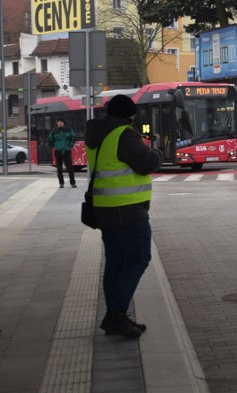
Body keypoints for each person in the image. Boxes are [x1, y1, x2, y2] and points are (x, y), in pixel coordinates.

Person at [85, 95, 162, 339]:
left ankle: (115, 315)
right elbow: (146, 163)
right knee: (139, 259)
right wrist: (156, 149)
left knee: (116, 263)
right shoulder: (124, 134)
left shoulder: (96, 133)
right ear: (129, 115)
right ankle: (116, 315)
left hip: (105, 209)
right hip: (127, 210)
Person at [48, 117, 77, 188]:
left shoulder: (69, 129)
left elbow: (73, 138)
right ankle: (61, 183)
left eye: (61, 121)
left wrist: (70, 146)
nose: (59, 123)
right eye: (58, 122)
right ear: (57, 123)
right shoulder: (54, 131)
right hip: (58, 151)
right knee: (59, 168)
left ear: (63, 122)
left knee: (70, 168)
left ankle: (72, 183)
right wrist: (55, 146)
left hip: (67, 151)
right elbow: (50, 139)